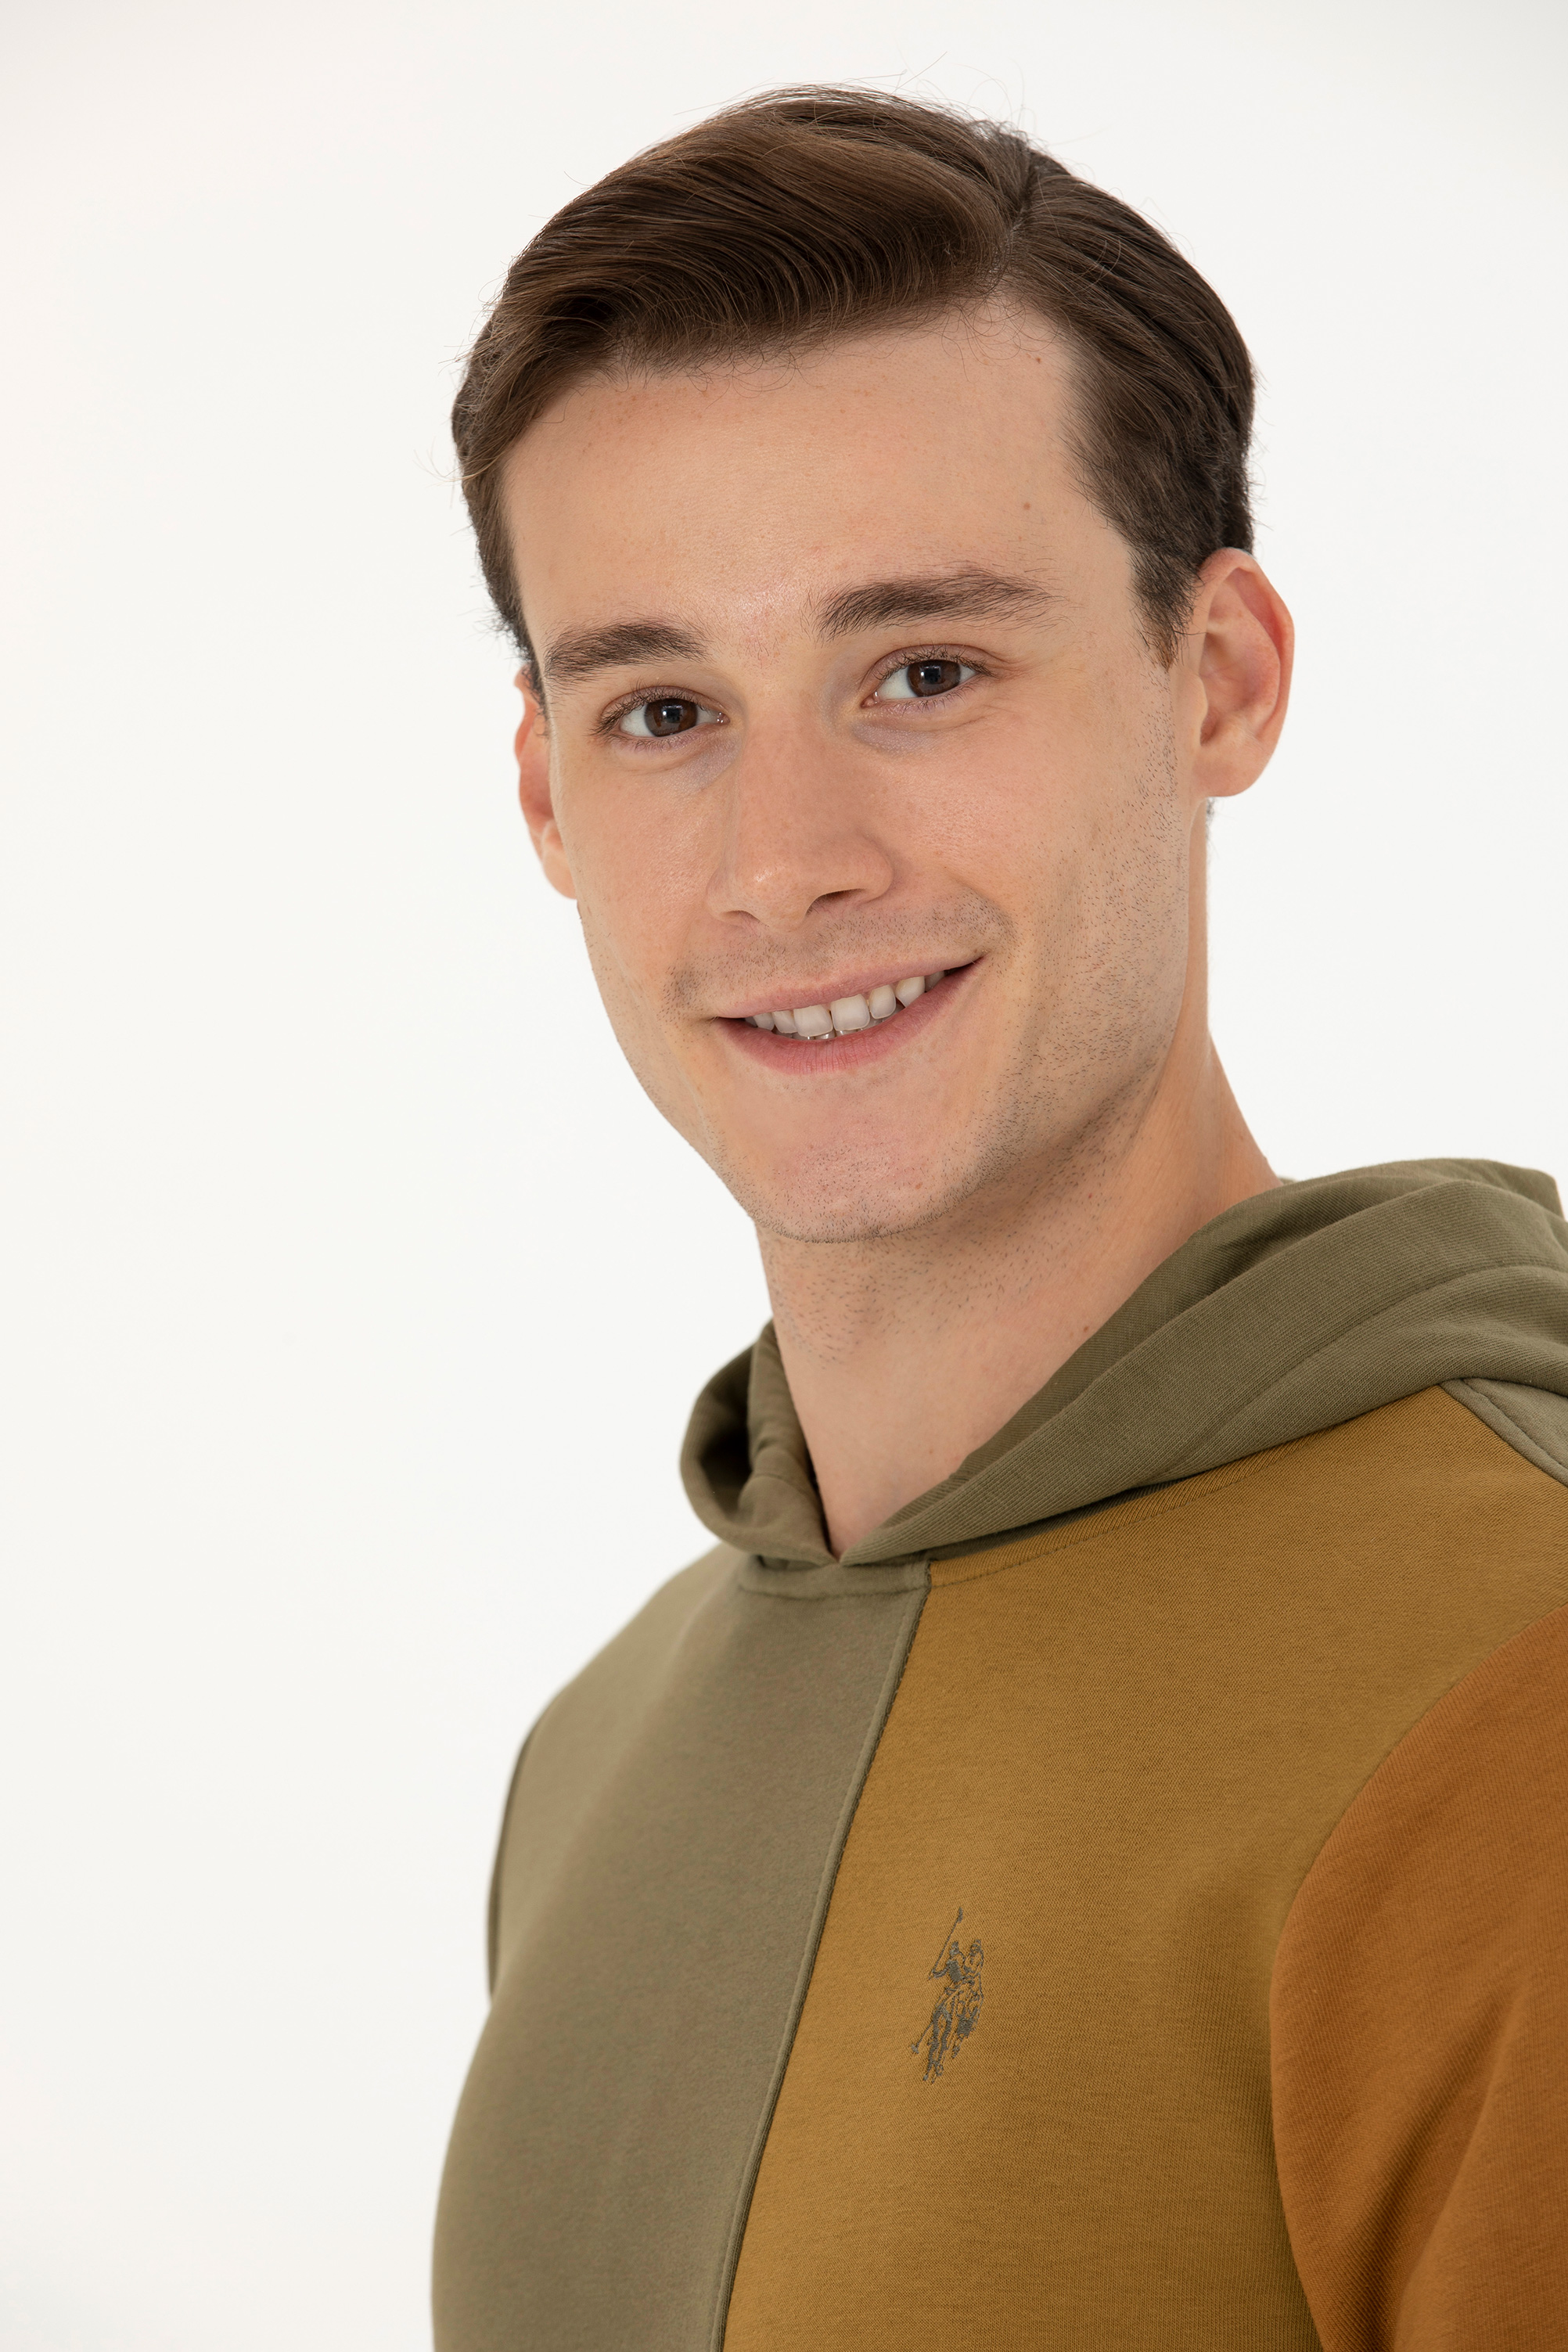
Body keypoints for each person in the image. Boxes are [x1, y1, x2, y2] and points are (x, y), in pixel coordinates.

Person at [432, 88, 1568, 2351]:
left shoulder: (1513, 1694)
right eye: (663, 709)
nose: (784, 863)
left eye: (924, 672)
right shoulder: (603, 1746)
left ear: (1217, 678)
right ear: (547, 795)